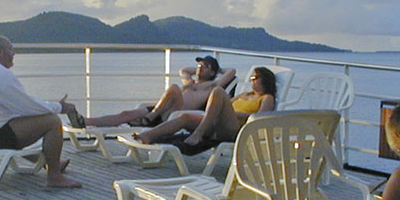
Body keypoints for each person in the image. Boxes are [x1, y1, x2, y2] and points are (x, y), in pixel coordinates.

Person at [0, 35, 81, 189]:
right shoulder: (1, 74)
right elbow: (28, 105)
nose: (14, 54)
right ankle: (54, 176)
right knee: (52, 121)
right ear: (0, 52)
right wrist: (59, 107)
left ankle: (52, 163)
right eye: (11, 49)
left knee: (21, 121)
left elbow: (20, 106)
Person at [133, 66, 276, 147]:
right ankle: (148, 135)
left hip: (235, 129)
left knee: (218, 91)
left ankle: (198, 133)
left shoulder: (267, 98)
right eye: (251, 78)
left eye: (255, 78)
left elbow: (259, 118)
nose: (252, 81)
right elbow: (225, 104)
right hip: (217, 123)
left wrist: (232, 114)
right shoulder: (244, 95)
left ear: (265, 79)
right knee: (185, 117)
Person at [80, 55, 236, 128]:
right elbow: (183, 70)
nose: (200, 68)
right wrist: (199, 69)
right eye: (199, 65)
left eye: (205, 66)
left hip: (177, 113)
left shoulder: (212, 85)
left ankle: (152, 116)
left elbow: (232, 71)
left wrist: (218, 70)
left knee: (174, 88)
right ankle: (86, 122)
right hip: (164, 109)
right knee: (125, 114)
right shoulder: (190, 82)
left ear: (213, 72)